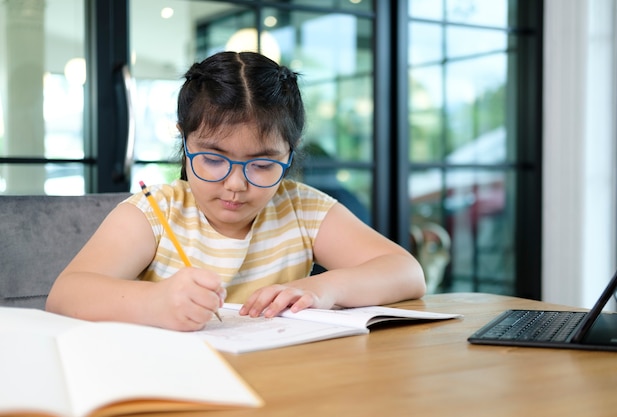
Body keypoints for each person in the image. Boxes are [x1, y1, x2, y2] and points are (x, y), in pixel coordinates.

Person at [46, 51, 426, 331]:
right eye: (213, 159)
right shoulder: (155, 213)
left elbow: (407, 272)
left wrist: (324, 287)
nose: (235, 185)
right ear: (185, 141)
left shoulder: (301, 209)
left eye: (262, 164)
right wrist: (155, 303)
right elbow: (65, 295)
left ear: (289, 154)